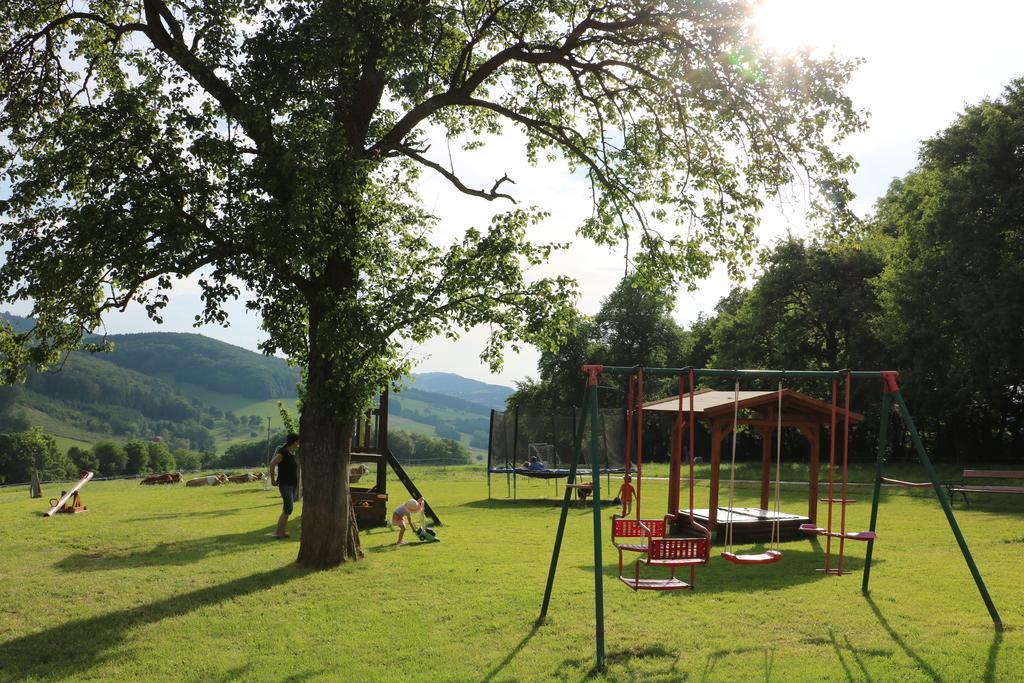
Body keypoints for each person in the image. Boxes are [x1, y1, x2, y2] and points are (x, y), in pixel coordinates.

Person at [268, 432, 300, 539]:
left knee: (287, 508)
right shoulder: (283, 453)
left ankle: (281, 531)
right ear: (294, 442)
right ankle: (278, 533)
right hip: (285, 484)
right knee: (288, 508)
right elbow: (272, 464)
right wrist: (273, 480)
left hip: (291, 484)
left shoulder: (290, 453)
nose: (299, 443)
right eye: (298, 441)